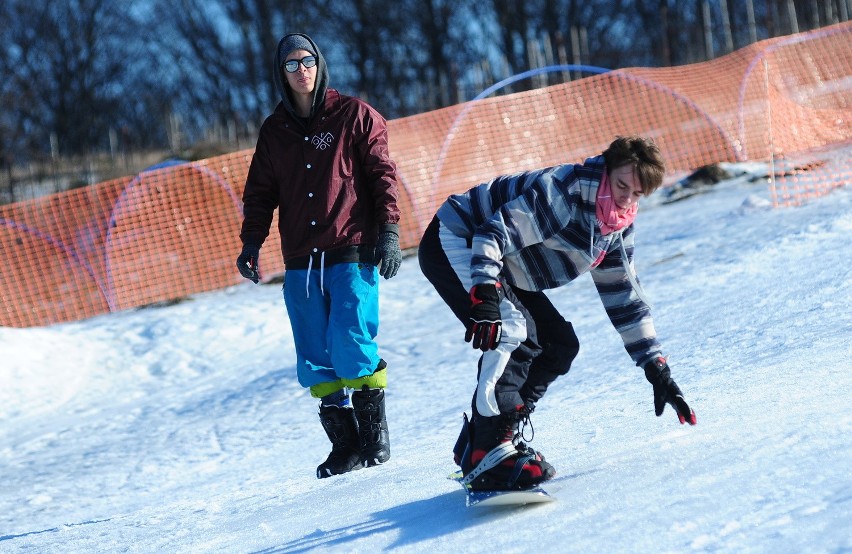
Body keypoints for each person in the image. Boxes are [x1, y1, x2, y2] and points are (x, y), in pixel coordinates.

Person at [418, 135, 697, 491]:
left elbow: (623, 296)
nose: (626, 198)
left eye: (637, 193)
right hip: (458, 238)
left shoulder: (615, 224)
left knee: (558, 344)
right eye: (622, 184)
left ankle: (486, 438)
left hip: (499, 260)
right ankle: (488, 452)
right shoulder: (565, 193)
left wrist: (655, 366)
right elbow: (494, 233)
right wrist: (485, 293)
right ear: (606, 171)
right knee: (514, 330)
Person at [236, 33, 402, 479]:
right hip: (301, 259)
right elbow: (259, 195)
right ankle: (345, 446)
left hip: (350, 246)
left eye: (307, 60)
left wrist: (389, 229)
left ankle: (373, 438)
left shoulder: (354, 115)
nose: (301, 70)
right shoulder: (274, 132)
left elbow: (383, 174)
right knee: (313, 354)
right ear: (281, 73)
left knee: (350, 342)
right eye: (291, 64)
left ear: (319, 63)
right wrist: (251, 242)